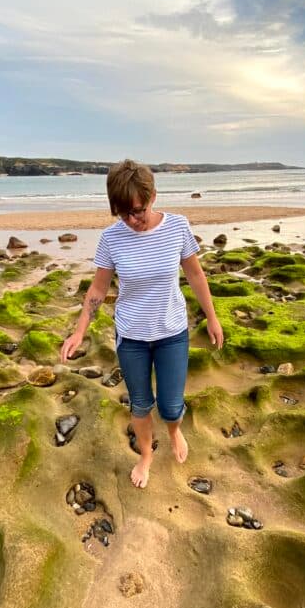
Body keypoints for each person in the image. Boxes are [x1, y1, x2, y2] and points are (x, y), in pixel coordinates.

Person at [60, 159, 224, 488]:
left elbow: (194, 274)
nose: (132, 220)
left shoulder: (178, 227)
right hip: (132, 337)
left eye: (137, 211)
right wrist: (79, 331)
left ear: (152, 197)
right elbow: (98, 288)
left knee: (171, 404)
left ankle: (175, 432)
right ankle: (146, 455)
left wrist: (212, 317)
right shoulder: (111, 239)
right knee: (139, 404)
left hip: (172, 332)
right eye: (123, 214)